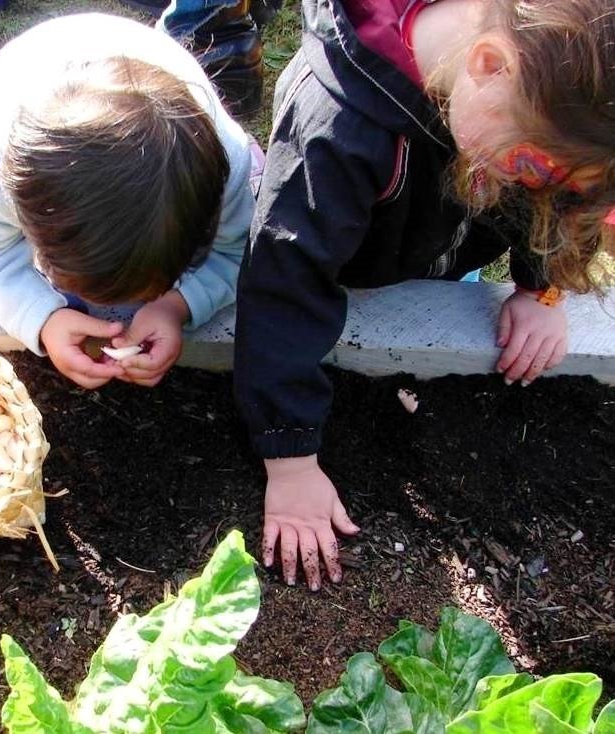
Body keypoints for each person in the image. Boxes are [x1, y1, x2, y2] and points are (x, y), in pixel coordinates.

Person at [235, 0, 614, 590]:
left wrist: (541, 288)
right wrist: (290, 460)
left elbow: (559, 199)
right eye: (529, 168)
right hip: (345, 258)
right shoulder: (334, 131)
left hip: (433, 248)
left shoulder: (518, 104)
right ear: (489, 65)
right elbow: (285, 287)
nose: (530, 186)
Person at [0, 13, 260, 389]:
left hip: (152, 64)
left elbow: (237, 249)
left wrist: (175, 306)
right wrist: (43, 319)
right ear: (28, 219)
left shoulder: (228, 164)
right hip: (16, 73)